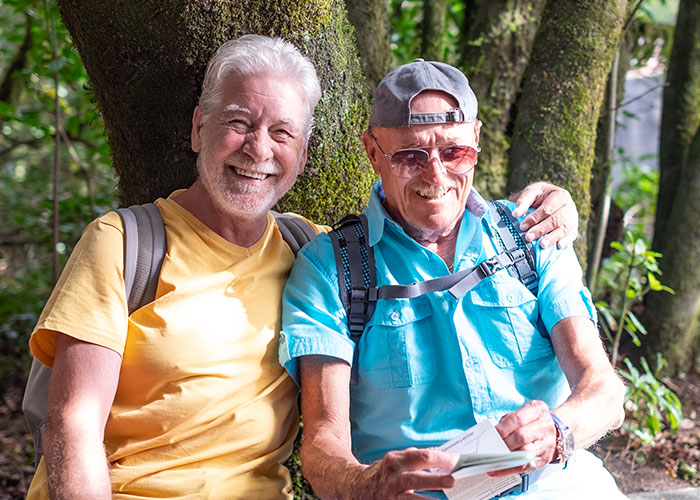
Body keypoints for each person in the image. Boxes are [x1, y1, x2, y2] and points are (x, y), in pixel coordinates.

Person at [26, 35, 578, 500]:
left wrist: (558, 206)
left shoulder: (309, 250)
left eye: (282, 133)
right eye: (239, 122)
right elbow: (73, 424)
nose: (258, 150)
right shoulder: (125, 242)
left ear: (303, 155)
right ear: (199, 128)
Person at [279, 59, 627, 499]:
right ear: (372, 152)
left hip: (553, 484)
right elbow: (323, 446)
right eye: (410, 156)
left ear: (476, 140)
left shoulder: (532, 236)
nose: (436, 174)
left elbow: (603, 390)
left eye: (454, 152)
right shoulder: (332, 269)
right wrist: (367, 484)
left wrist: (558, 430)